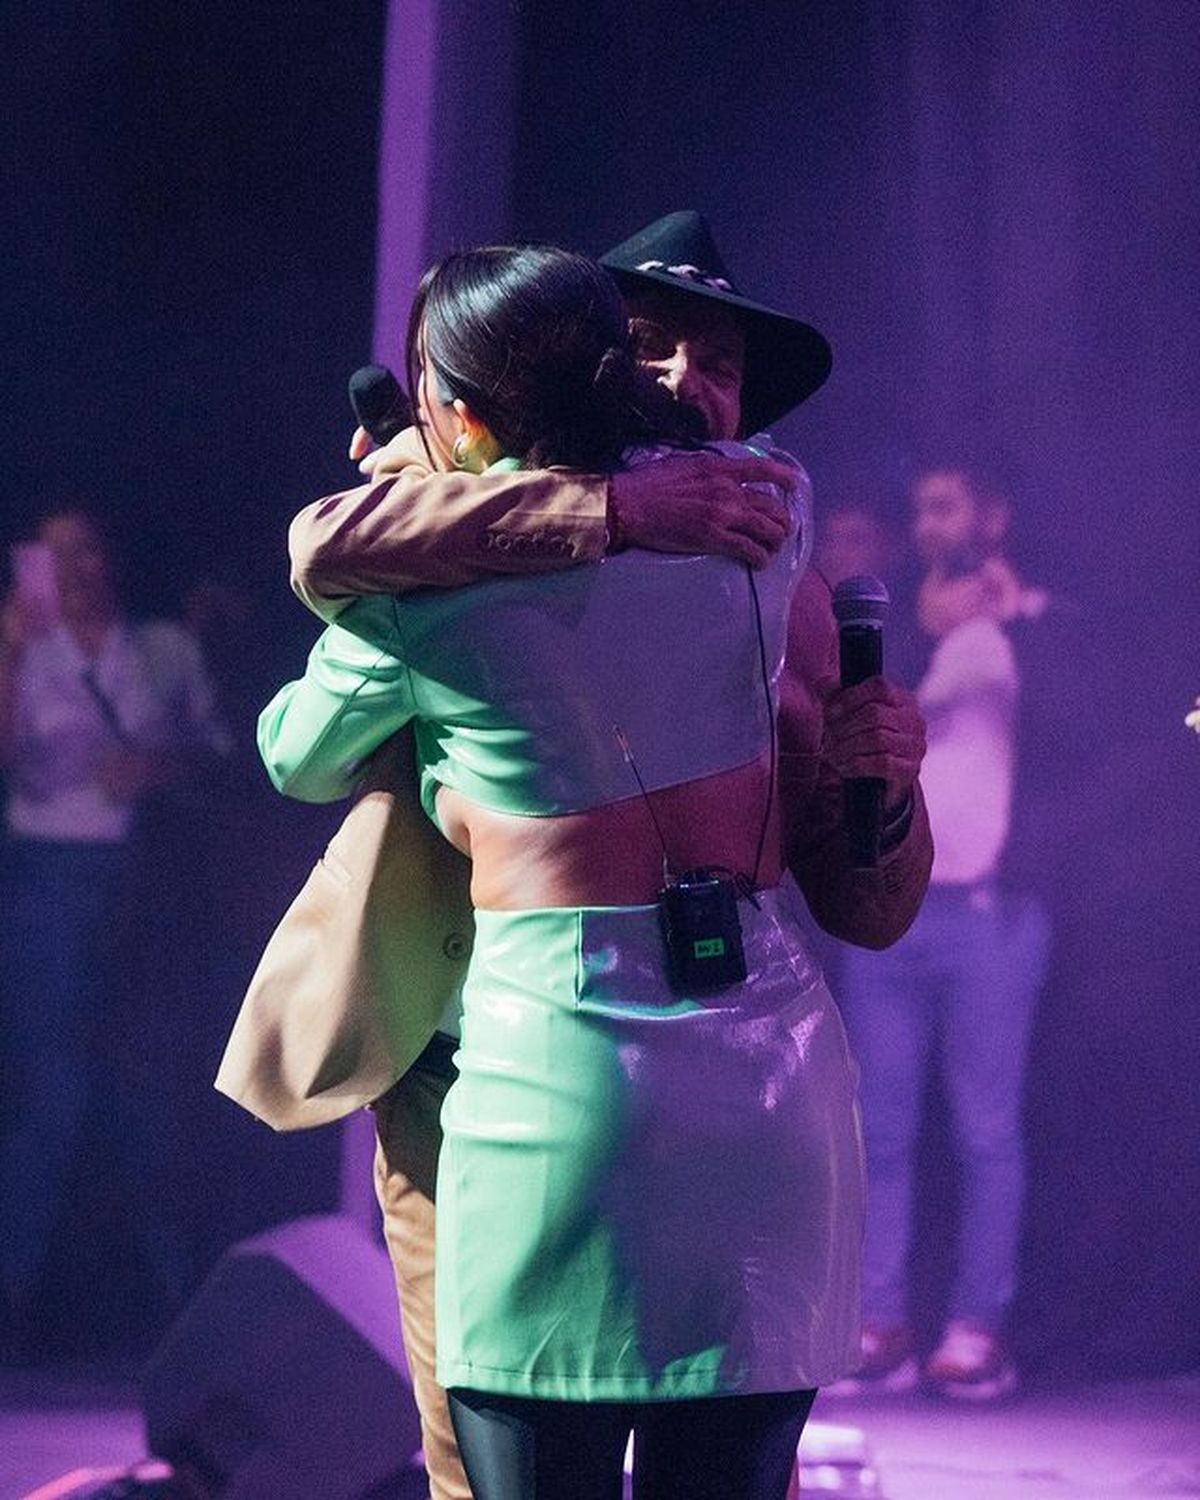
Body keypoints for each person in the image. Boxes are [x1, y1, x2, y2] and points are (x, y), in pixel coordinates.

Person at [276, 211, 932, 1499]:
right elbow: (339, 546)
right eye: (651, 348)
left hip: (647, 1057)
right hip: (455, 1060)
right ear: (579, 374)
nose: (685, 382)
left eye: (719, 365)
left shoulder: (762, 560)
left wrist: (890, 793)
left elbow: (865, 897)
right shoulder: (454, 534)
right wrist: (592, 506)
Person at [833, 462, 1051, 1401]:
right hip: (891, 909)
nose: (930, 524)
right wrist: (920, 630)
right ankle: (880, 1322)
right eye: (919, 508)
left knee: (985, 1129)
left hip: (989, 913)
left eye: (948, 506)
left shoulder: (1025, 620)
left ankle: (976, 1328)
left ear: (991, 515)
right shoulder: (888, 624)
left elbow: (1096, 705)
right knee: (879, 1128)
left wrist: (1022, 610)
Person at [0, 506, 227, 1351]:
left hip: (145, 881)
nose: (71, 568)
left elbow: (221, 752)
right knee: (48, 1095)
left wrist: (156, 766)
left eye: (86, 549)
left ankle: (178, 1308)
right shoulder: (25, 649)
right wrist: (10, 650)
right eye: (52, 554)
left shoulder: (162, 649)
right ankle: (15, 1303)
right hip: (46, 877)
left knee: (150, 1091)